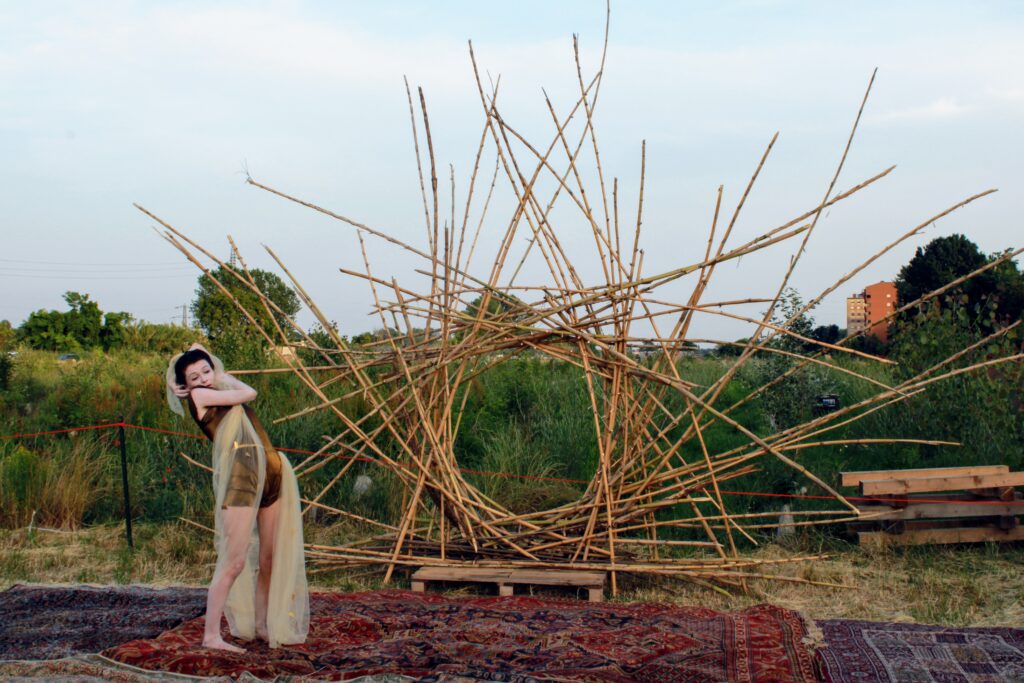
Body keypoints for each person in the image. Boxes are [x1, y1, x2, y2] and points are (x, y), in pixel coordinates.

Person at [166, 343, 309, 652]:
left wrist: (208, 366)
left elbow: (198, 350)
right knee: (234, 562)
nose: (203, 378)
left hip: (271, 470)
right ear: (186, 387)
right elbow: (248, 392)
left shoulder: (212, 384)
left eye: (206, 370)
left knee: (268, 559)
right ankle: (211, 636)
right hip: (242, 477)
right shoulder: (201, 396)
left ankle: (260, 625)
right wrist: (216, 375)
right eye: (194, 377)